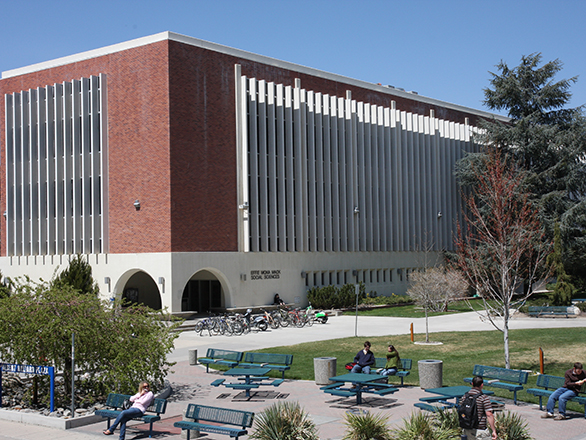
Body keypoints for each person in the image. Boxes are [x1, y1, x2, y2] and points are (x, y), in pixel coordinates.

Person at [462, 376, 497, 440]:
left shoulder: (465, 397)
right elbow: (489, 414)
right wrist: (493, 430)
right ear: (482, 385)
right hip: (480, 430)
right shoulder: (484, 398)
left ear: (472, 384)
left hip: (467, 428)